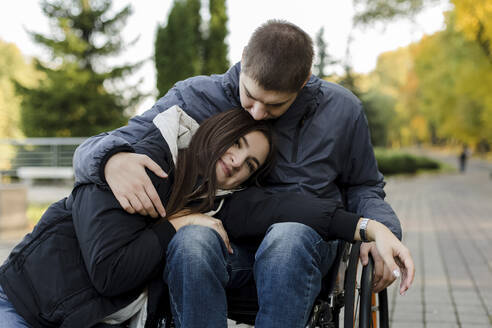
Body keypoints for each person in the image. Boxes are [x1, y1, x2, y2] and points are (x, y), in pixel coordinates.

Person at [73, 20, 407, 327]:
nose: (259, 114)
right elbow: (108, 143)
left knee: (287, 238)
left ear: (303, 82)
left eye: (275, 105)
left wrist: (383, 231)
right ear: (244, 58)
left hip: (304, 249)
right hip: (226, 245)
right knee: (192, 239)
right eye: (250, 97)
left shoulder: (342, 111)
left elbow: (364, 184)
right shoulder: (196, 96)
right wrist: (111, 160)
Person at [0, 108, 276, 327]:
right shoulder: (135, 164)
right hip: (22, 305)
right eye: (236, 143)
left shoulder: (209, 209)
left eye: (250, 164)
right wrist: (176, 225)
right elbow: (110, 272)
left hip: (80, 319)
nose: (238, 161)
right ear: (216, 132)